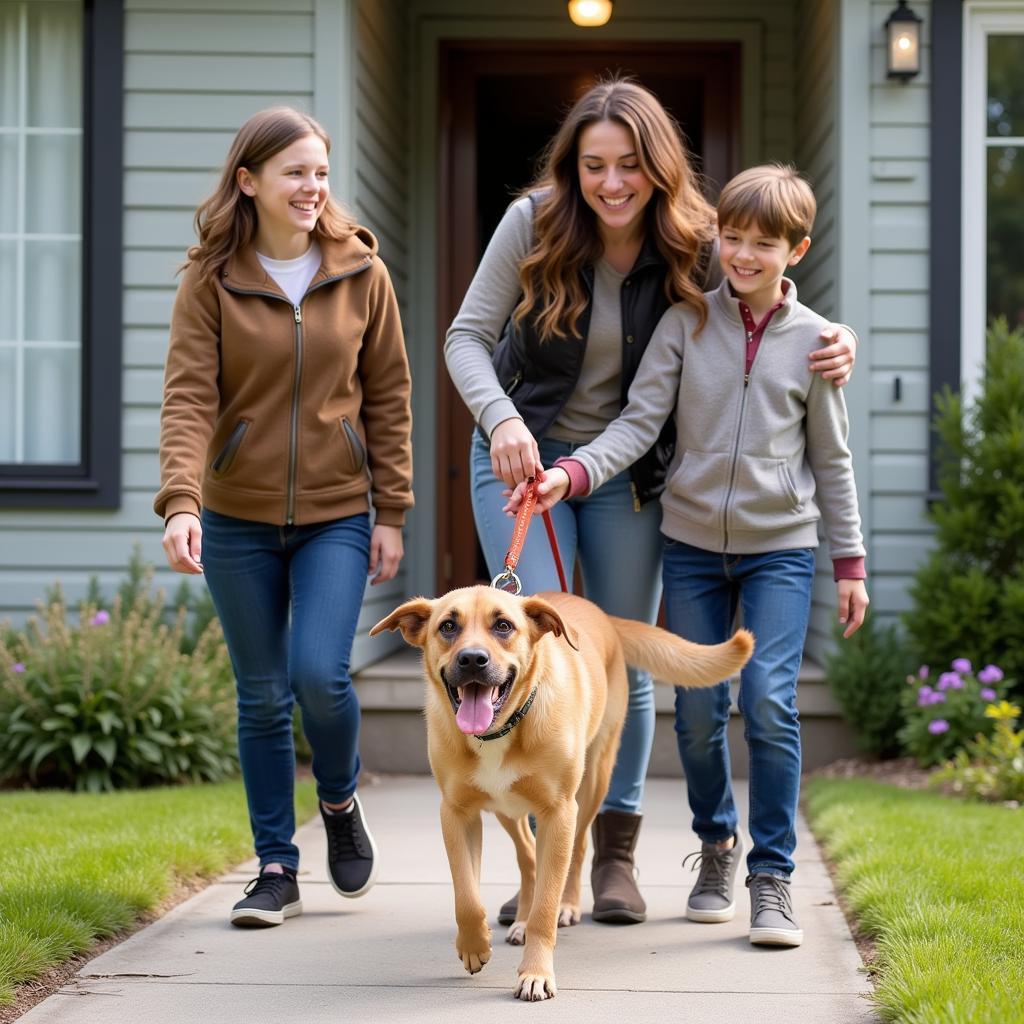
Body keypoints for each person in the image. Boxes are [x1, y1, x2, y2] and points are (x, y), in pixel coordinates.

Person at [444, 78, 859, 926]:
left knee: (618, 655)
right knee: (531, 648)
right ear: (573, 168)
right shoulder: (532, 221)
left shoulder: (699, 243)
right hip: (523, 461)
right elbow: (465, 337)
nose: (612, 183)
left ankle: (612, 856)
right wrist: (501, 420)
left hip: (628, 470)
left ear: (659, 168)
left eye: (630, 165)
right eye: (594, 165)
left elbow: (768, 303)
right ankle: (540, 862)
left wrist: (838, 338)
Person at [155, 106, 413, 928]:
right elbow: (190, 397)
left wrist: (392, 509)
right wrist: (182, 500)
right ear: (249, 181)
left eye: (321, 174)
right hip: (236, 515)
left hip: (338, 513)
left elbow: (390, 398)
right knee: (262, 696)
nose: (312, 189)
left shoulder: (361, 272)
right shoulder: (211, 278)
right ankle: (275, 865)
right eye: (295, 173)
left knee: (319, 676)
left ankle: (338, 800)